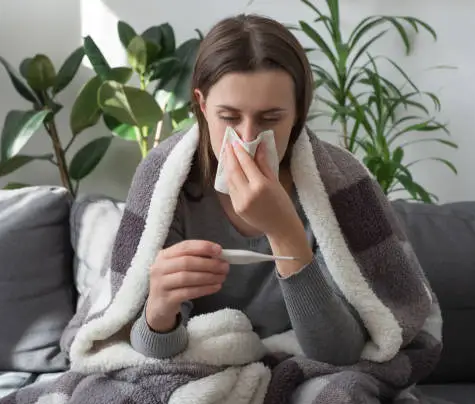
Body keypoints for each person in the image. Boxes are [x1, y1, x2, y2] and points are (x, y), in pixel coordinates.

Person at [129, 13, 368, 366]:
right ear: (202, 104)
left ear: (299, 111)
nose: (247, 138)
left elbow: (341, 354)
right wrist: (159, 311)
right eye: (228, 117)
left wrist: (285, 231)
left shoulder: (341, 183)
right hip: (198, 370)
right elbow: (151, 353)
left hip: (305, 373)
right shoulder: (165, 181)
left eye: (271, 118)